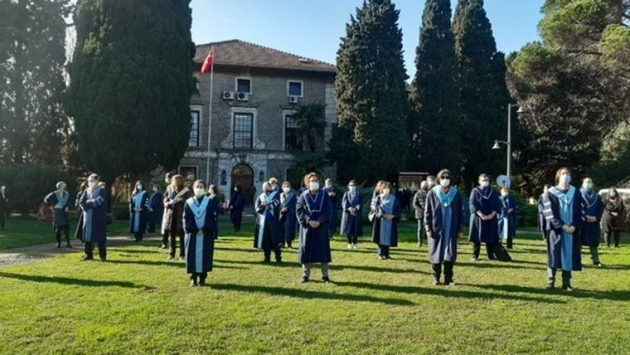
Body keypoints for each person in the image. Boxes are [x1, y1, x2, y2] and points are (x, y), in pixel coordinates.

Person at [542, 167, 583, 291]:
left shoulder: (576, 192)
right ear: (558, 176)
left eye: (568, 174)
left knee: (569, 255)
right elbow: (549, 213)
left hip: (572, 230)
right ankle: (551, 281)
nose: (566, 176)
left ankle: (566, 282)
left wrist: (574, 226)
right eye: (563, 174)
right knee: (554, 254)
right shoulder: (551, 192)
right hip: (557, 230)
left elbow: (580, 211)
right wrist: (562, 225)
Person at [425, 169, 465, 285]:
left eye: (447, 177)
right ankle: (436, 278)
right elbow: (427, 212)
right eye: (443, 177)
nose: (445, 179)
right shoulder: (432, 193)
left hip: (451, 228)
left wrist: (460, 229)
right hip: (436, 228)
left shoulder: (455, 193)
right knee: (436, 253)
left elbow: (461, 212)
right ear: (439, 179)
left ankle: (448, 278)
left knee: (450, 254)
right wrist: (428, 227)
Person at [297, 172, 333, 283]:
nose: (314, 183)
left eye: (316, 181)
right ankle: (305, 275)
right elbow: (299, 210)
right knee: (306, 250)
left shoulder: (324, 194)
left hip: (321, 227)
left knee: (323, 251)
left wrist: (320, 221)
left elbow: (328, 209)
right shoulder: (303, 195)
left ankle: (325, 275)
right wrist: (308, 221)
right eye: (312, 181)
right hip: (307, 228)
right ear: (307, 183)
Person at [183, 180, 218, 287]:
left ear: (205, 189)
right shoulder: (188, 202)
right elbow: (186, 218)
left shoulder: (209, 202)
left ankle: (203, 278)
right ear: (193, 188)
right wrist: (194, 229)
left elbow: (212, 218)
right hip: (193, 235)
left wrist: (205, 229)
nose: (199, 188)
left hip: (205, 234)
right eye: (197, 186)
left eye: (201, 186)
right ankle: (193, 278)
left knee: (205, 255)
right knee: (192, 255)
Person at [468, 174, 501, 261]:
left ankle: (491, 255)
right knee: (476, 238)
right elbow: (472, 203)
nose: (485, 182)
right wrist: (481, 215)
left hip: (491, 217)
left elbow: (497, 204)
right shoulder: (475, 191)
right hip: (478, 217)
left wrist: (491, 215)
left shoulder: (493, 191)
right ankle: (475, 255)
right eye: (483, 180)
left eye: (487, 180)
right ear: (479, 181)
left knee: (490, 237)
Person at [79, 174, 108, 261]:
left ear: (96, 181)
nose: (90, 182)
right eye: (89, 181)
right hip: (87, 216)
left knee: (100, 237)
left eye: (92, 181)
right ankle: (88, 255)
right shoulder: (86, 191)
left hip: (98, 217)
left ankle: (102, 256)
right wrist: (87, 206)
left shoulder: (101, 190)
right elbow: (81, 202)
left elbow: (99, 200)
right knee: (87, 238)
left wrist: (88, 203)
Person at [163, 175, 192, 260]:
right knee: (171, 237)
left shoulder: (186, 191)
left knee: (182, 237)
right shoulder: (172, 191)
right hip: (171, 216)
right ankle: (172, 254)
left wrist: (179, 201)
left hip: (181, 217)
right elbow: (165, 199)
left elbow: (189, 201)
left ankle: (183, 254)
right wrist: (167, 203)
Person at [371, 182, 401, 260]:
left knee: (388, 237)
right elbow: (375, 207)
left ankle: (386, 254)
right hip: (381, 220)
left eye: (388, 188)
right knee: (380, 237)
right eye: (384, 188)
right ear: (382, 189)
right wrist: (383, 215)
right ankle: (380, 254)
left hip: (391, 221)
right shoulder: (378, 197)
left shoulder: (394, 198)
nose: (386, 190)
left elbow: (398, 209)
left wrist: (393, 216)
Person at [255, 182, 282, 262]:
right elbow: (257, 207)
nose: (266, 188)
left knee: (275, 239)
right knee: (265, 240)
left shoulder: (276, 194)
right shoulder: (260, 196)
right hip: (264, 222)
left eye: (267, 186)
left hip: (273, 221)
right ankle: (267, 257)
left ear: (270, 187)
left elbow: (276, 203)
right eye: (264, 187)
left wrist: (267, 205)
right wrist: (263, 207)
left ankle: (278, 257)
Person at [580, 178, 604, 266]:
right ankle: (578, 260)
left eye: (589, 182)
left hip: (594, 222)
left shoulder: (597, 196)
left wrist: (596, 217)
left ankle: (596, 260)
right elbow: (577, 208)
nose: (588, 183)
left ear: (593, 184)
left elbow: (601, 208)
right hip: (582, 221)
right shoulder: (579, 194)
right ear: (582, 184)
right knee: (579, 242)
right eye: (586, 182)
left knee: (594, 242)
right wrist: (585, 216)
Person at [44, 181, 72, 248]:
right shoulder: (54, 194)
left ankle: (68, 243)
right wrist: (51, 207)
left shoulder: (67, 194)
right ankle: (58, 243)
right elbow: (46, 200)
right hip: (57, 212)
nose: (64, 187)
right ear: (59, 186)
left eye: (65, 186)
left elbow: (69, 202)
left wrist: (67, 207)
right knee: (58, 229)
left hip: (64, 212)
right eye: (63, 185)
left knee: (66, 228)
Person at [340, 180, 363, 249]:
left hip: (356, 214)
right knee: (348, 229)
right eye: (351, 185)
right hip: (348, 214)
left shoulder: (359, 194)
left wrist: (355, 209)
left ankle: (355, 242)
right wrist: (349, 209)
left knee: (356, 228)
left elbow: (361, 203)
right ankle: (349, 242)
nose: (352, 187)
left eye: (354, 185)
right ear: (348, 186)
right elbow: (344, 203)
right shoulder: (346, 194)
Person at [413, 178, 433, 247]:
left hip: (429, 214)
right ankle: (419, 241)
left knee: (429, 228)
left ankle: (429, 241)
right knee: (420, 228)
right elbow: (414, 204)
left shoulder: (430, 193)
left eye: (426, 184)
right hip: (420, 214)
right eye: (424, 185)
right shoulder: (418, 193)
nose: (425, 186)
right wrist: (421, 210)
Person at [280, 181, 297, 249]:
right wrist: (281, 209)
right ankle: (282, 243)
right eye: (285, 186)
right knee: (282, 229)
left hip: (290, 214)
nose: (286, 188)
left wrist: (288, 208)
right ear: (282, 187)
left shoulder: (293, 195)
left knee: (289, 229)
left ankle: (289, 243)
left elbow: (295, 205)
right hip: (281, 214)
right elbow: (278, 204)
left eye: (288, 186)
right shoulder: (280, 195)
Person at [160, 172, 174, 249]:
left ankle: (167, 242)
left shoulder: (173, 187)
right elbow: (165, 196)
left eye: (167, 177)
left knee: (168, 225)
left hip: (171, 207)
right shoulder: (168, 187)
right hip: (167, 206)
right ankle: (165, 242)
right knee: (166, 225)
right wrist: (165, 201)